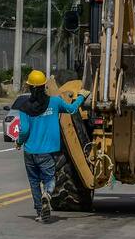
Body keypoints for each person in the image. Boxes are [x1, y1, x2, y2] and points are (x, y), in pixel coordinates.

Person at [15, 70, 88, 223]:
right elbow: (72, 109)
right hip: (48, 152)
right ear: (44, 86)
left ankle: (40, 212)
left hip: (30, 151)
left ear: (29, 87)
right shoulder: (55, 102)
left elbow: (25, 130)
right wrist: (81, 96)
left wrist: (19, 142)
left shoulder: (24, 107)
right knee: (49, 179)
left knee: (34, 182)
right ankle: (47, 194)